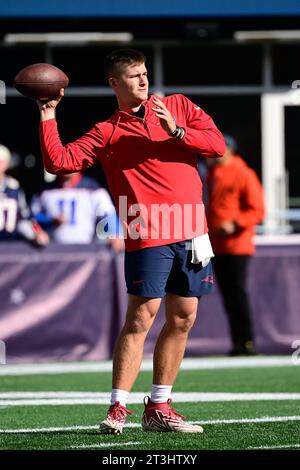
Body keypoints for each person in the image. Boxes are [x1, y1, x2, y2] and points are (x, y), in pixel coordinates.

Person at [37, 48, 225, 434]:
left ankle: (159, 406)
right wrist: (47, 113)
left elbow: (217, 146)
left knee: (184, 317)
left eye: (144, 72)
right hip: (147, 229)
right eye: (133, 75)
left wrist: (176, 131)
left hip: (193, 229)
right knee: (141, 317)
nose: (143, 79)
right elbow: (58, 162)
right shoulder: (107, 131)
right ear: (113, 83)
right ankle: (118, 407)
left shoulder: (177, 106)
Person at [206, 135, 265, 356]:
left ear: (228, 150)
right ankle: (237, 342)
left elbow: (258, 210)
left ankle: (247, 341)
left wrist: (236, 224)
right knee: (229, 296)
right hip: (217, 244)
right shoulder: (211, 173)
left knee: (237, 294)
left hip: (237, 245)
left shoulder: (243, 173)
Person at [31, 171, 124, 251]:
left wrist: (115, 234)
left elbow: (108, 215)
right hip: (53, 253)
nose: (66, 163)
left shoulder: (94, 189)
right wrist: (46, 225)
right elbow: (32, 219)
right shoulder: (44, 191)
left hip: (85, 253)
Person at [0, 144, 49, 246]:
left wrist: (35, 233)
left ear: (6, 164)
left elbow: (24, 217)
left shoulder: (14, 187)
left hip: (8, 247)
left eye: (0, 162)